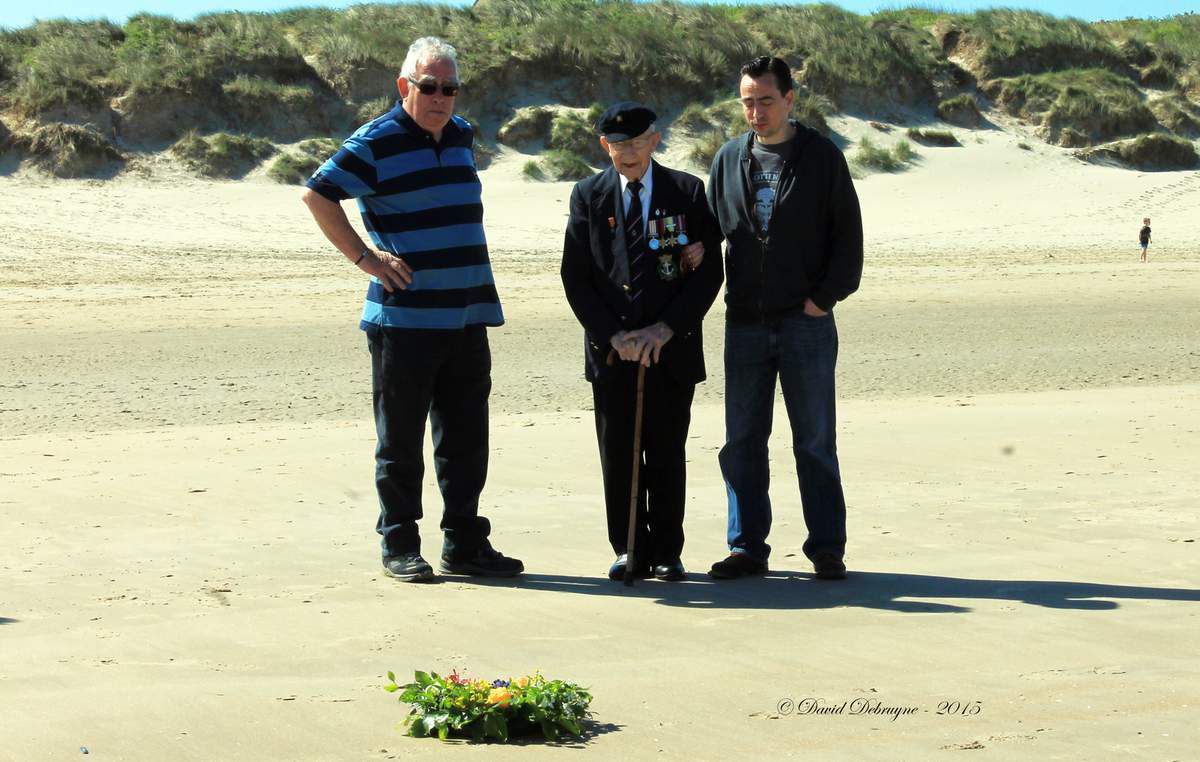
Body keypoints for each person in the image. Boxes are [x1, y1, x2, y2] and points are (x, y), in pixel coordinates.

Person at [301, 36, 522, 582]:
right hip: (404, 322)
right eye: (430, 87)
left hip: (467, 314)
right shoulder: (375, 141)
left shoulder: (464, 134)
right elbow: (316, 194)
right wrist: (364, 257)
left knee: (467, 441)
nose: (441, 97)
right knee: (400, 443)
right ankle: (399, 543)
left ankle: (465, 543)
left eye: (450, 88)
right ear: (405, 87)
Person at [705, 56, 863, 581]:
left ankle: (826, 547)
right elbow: (710, 237)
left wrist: (824, 299)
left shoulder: (821, 158)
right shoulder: (728, 159)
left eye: (765, 100)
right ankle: (747, 546)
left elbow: (848, 238)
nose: (755, 111)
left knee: (814, 440)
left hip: (806, 322)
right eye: (747, 101)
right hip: (745, 321)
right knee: (742, 441)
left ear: (790, 100)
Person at [561, 102, 723, 581]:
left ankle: (668, 551)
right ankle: (629, 547)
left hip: (670, 348)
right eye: (616, 144)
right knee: (618, 452)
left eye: (635, 142)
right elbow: (576, 276)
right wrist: (613, 335)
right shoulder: (587, 196)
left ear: (654, 141)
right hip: (613, 350)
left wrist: (664, 329)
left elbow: (708, 271)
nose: (626, 153)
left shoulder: (687, 191)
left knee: (666, 450)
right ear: (603, 146)